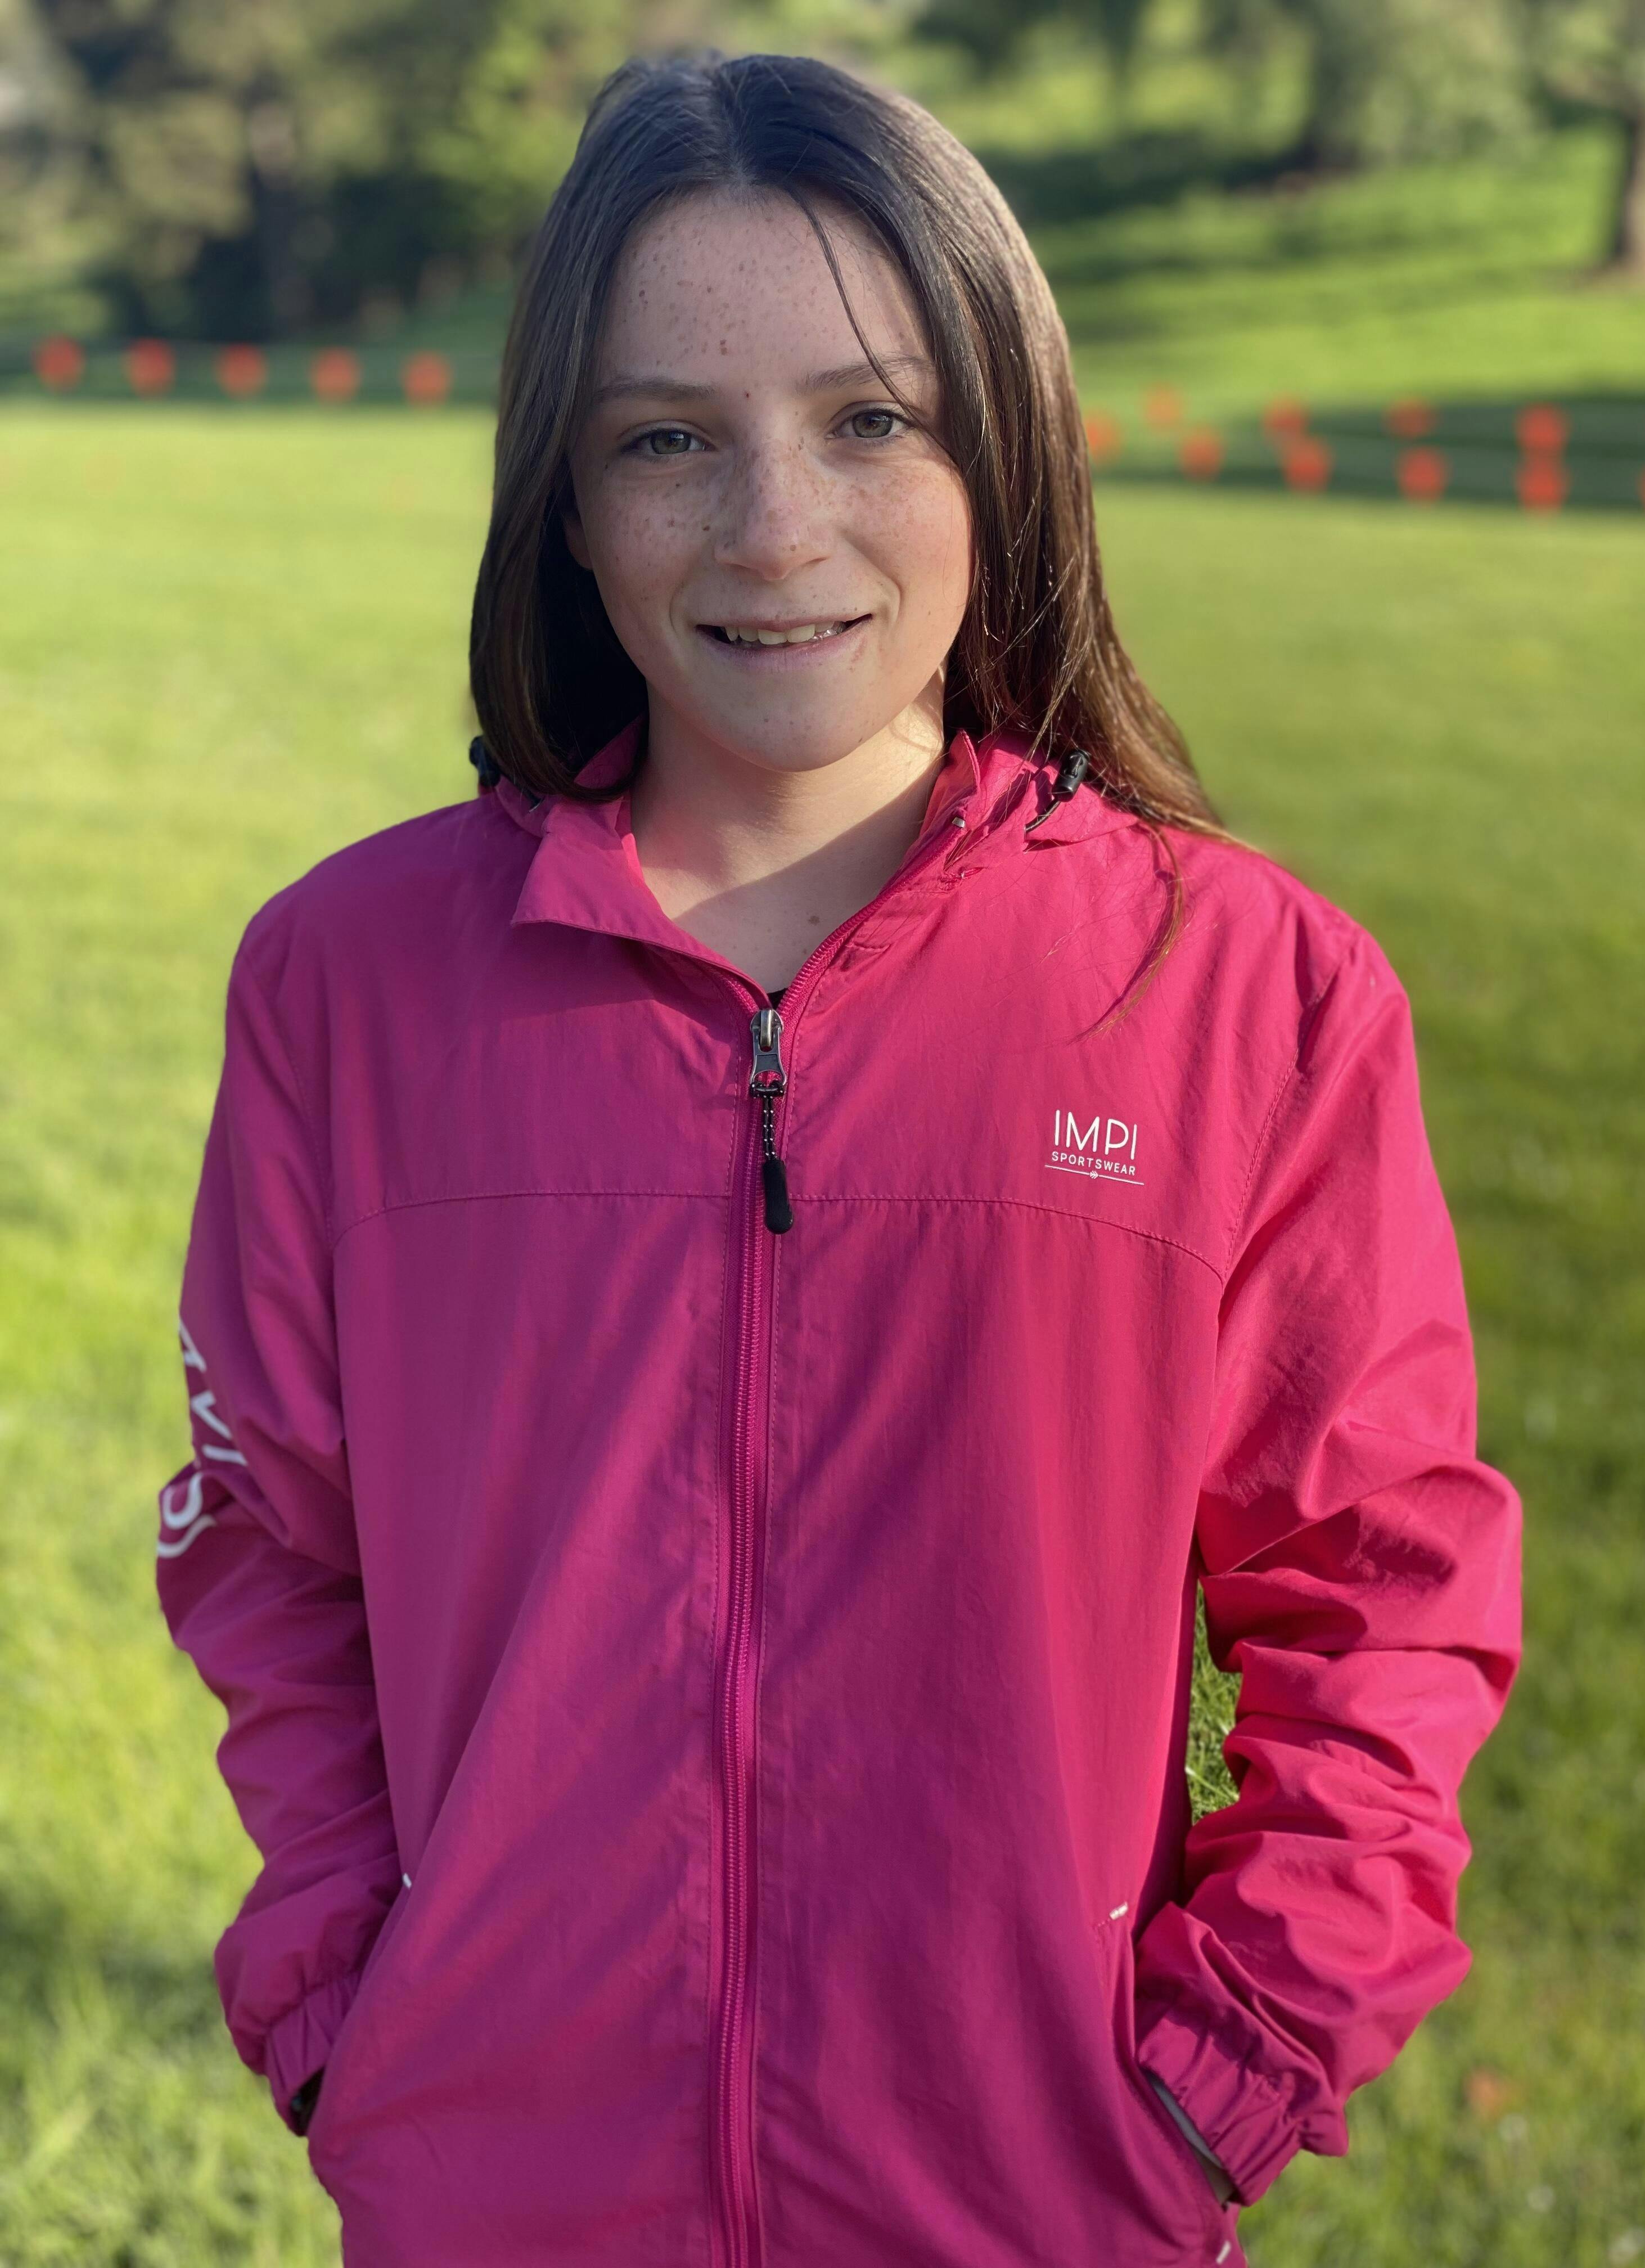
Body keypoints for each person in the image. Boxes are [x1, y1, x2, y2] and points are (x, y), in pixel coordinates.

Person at [155, 50, 1522, 2268]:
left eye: (872, 418)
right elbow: (272, 1555)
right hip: (497, 2199)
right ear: (564, 499)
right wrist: (340, 2003)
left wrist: (1232, 2067)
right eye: (665, 438)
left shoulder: (1245, 994)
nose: (773, 526)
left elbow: (1386, 1598)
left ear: (1009, 444)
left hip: (1037, 2197)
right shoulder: (350, 986)